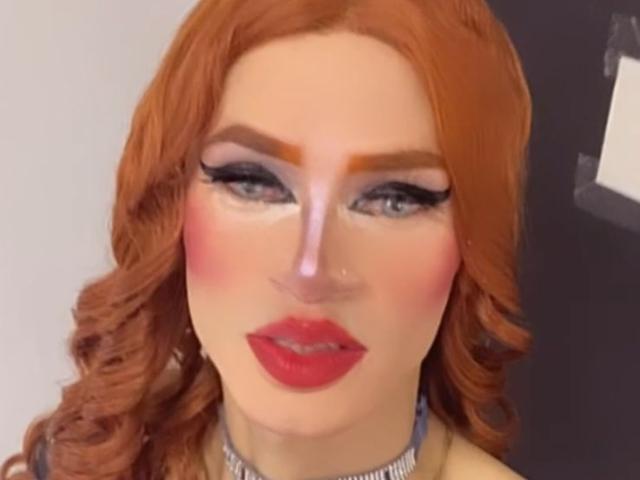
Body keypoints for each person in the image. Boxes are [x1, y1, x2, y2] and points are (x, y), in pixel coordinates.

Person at [0, 0, 533, 479]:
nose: (309, 270)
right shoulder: (90, 459)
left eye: (394, 199)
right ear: (171, 203)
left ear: (472, 243)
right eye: (252, 183)